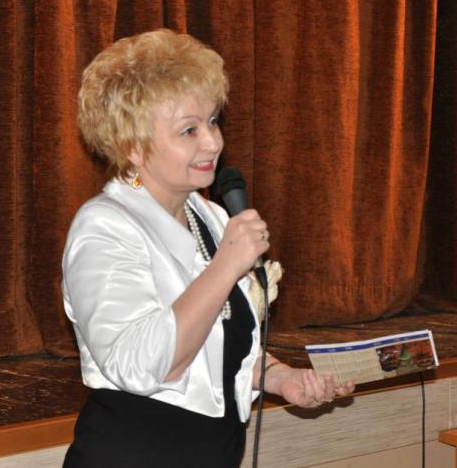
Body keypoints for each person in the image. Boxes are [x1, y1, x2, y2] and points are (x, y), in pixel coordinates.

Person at [61, 29, 354, 467]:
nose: (213, 143)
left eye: (213, 121)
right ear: (133, 146)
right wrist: (225, 267)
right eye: (189, 130)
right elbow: (143, 367)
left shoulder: (210, 217)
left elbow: (217, 346)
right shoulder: (104, 227)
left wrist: (279, 378)